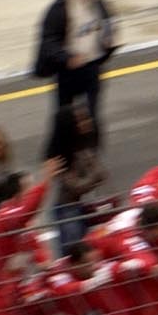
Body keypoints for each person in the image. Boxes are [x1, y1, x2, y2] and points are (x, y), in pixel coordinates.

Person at [33, 0, 120, 146]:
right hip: (68, 70)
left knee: (92, 115)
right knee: (64, 116)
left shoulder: (97, 3)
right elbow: (48, 40)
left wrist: (108, 41)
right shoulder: (60, 8)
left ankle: (91, 154)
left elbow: (109, 23)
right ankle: (60, 154)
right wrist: (66, 58)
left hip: (92, 66)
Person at [46, 99, 107, 254]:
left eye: (86, 118)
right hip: (68, 209)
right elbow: (75, 186)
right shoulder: (60, 153)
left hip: (85, 205)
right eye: (81, 120)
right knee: (74, 253)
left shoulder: (86, 142)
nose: (87, 122)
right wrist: (96, 176)